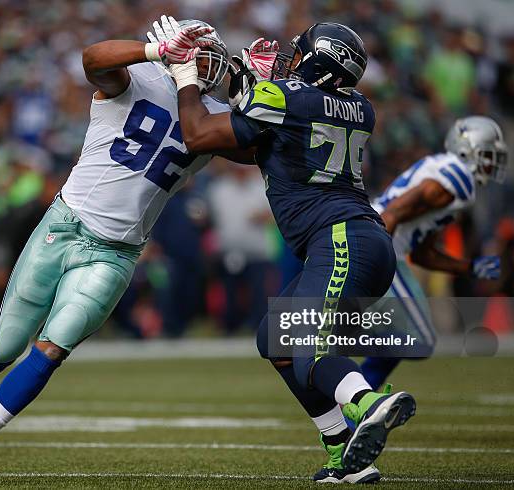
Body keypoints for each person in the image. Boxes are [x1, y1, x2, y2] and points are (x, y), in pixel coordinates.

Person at [0, 19, 242, 481]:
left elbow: (262, 146)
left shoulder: (212, 117)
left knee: (52, 347)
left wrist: (255, 92)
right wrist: (150, 51)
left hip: (117, 251)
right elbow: (92, 59)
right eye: (197, 48)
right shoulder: (136, 77)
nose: (206, 58)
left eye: (209, 51)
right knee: (6, 344)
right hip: (66, 224)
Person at [156, 19, 417, 483]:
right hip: (362, 241)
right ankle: (342, 454)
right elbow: (261, 144)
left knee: (306, 348)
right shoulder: (361, 106)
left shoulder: (287, 97)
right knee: (274, 339)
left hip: (341, 238)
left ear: (317, 60)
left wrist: (188, 80)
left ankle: (369, 402)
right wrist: (248, 87)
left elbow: (199, 135)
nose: (290, 59)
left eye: (299, 53)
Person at [360, 116, 508, 389]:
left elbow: (423, 253)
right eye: (487, 155)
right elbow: (391, 215)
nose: (491, 163)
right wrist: (378, 265)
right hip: (380, 244)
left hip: (385, 244)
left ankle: (358, 403)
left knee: (412, 341)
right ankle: (333, 343)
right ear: (467, 149)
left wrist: (469, 267)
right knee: (416, 340)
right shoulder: (457, 178)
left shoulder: (450, 177)